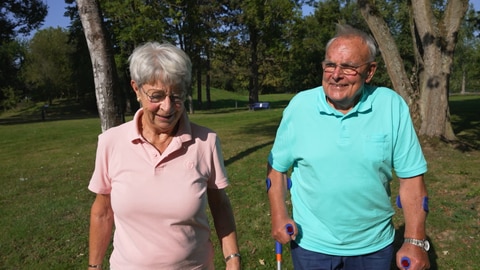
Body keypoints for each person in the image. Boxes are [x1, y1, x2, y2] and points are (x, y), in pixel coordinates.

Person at [266, 24, 430, 270]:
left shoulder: (390, 106)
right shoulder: (300, 107)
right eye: (330, 65)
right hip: (310, 244)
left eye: (349, 67)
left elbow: (411, 179)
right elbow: (276, 168)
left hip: (374, 246)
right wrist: (279, 215)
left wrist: (415, 240)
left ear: (370, 71)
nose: (336, 74)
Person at [87, 42, 241, 270]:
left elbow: (220, 205)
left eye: (177, 96)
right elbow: (102, 211)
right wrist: (94, 267)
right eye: (156, 96)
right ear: (136, 89)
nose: (168, 107)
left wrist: (233, 260)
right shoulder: (111, 142)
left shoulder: (205, 142)